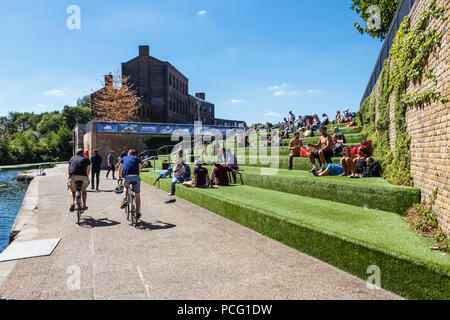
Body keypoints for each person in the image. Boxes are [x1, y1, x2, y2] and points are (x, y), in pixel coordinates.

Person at [119, 149, 142, 220]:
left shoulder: (124, 158)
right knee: (137, 194)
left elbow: (120, 168)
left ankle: (125, 199)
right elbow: (139, 169)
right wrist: (137, 175)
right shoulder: (137, 159)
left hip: (127, 177)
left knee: (126, 186)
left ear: (128, 154)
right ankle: (137, 211)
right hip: (136, 177)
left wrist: (119, 177)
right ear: (135, 154)